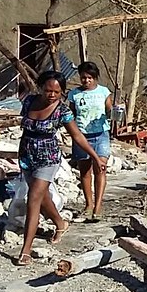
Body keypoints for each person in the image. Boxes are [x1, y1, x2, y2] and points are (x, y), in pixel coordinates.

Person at [16, 71, 105, 266]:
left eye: (57, 92)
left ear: (62, 92)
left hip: (48, 158)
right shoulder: (29, 102)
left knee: (33, 198)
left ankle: (26, 250)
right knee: (42, 197)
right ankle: (60, 223)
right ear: (41, 88)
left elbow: (77, 135)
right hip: (27, 156)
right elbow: (25, 128)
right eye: (48, 90)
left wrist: (95, 156)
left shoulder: (62, 111)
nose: (52, 95)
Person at [67, 61, 112, 222]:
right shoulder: (74, 94)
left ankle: (98, 206)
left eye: (89, 78)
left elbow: (109, 110)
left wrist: (114, 114)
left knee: (100, 168)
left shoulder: (103, 92)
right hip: (81, 136)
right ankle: (88, 204)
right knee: (85, 171)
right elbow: (71, 113)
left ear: (95, 77)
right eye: (83, 78)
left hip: (101, 135)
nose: (86, 81)